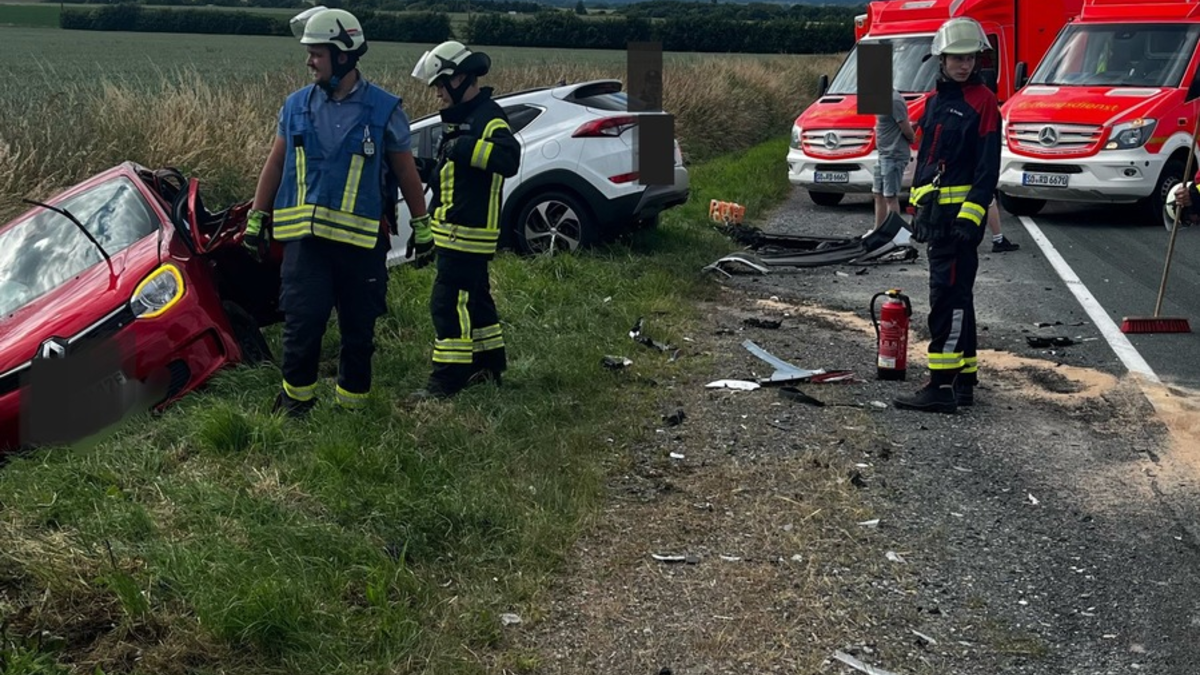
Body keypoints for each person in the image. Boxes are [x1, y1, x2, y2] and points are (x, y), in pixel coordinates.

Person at [244, 6, 431, 417]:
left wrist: (422, 223)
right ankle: (296, 404)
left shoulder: (384, 110)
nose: (309, 61)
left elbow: (405, 169)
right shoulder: (294, 106)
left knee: (358, 332)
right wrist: (258, 215)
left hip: (361, 247)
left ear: (343, 55)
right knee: (302, 325)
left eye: (317, 53)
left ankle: (353, 410)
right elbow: (274, 164)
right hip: (306, 247)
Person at [893, 16, 1001, 414]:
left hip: (959, 225)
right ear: (941, 59)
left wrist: (968, 221)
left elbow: (987, 170)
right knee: (958, 299)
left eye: (970, 57)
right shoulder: (937, 103)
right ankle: (964, 381)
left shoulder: (984, 102)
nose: (964, 65)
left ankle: (940, 385)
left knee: (947, 301)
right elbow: (928, 163)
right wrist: (916, 209)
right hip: (936, 221)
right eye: (956, 57)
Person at [408, 40, 521, 399]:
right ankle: (489, 366)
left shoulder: (488, 117)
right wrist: (419, 168)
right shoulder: (461, 121)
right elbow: (450, 176)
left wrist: (466, 147)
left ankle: (448, 379)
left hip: (468, 233)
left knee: (447, 303)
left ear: (459, 78)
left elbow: (509, 158)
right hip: (456, 230)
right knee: (476, 300)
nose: (438, 93)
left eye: (441, 85)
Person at [873, 86, 916, 229]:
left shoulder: (895, 100)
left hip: (894, 154)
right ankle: (878, 231)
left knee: (890, 196)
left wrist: (912, 138)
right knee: (878, 193)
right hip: (882, 153)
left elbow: (905, 127)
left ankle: (894, 233)